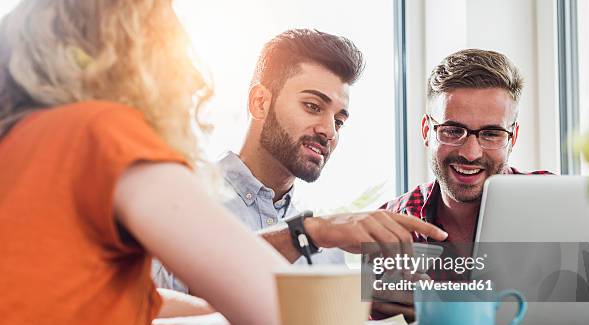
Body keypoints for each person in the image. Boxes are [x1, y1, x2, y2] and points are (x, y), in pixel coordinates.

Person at [0, 1, 445, 325]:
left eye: (340, 118)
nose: (193, 79)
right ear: (128, 55)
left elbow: (147, 308)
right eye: (171, 50)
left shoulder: (23, 149)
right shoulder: (105, 135)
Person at [155, 29, 448, 293]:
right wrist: (304, 234)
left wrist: (365, 306)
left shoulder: (327, 252)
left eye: (339, 121)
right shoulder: (178, 197)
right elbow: (157, 306)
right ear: (260, 102)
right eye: (312, 106)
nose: (329, 131)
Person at [375, 49, 551, 320]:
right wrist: (373, 307)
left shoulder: (552, 203)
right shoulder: (392, 223)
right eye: (452, 130)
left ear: (512, 138)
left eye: (491, 133)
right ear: (427, 131)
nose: (470, 153)